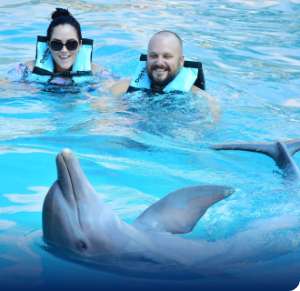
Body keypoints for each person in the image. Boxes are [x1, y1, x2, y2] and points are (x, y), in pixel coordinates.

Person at [109, 30, 220, 121]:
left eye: (167, 56)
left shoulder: (204, 102)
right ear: (147, 58)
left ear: (181, 61)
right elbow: (102, 116)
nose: (159, 62)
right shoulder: (122, 88)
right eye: (153, 56)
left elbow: (201, 132)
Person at [9, 8, 111, 86]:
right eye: (56, 44)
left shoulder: (97, 73)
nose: (64, 50)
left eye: (71, 44)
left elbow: (116, 87)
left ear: (80, 45)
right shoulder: (27, 70)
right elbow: (6, 85)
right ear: (48, 45)